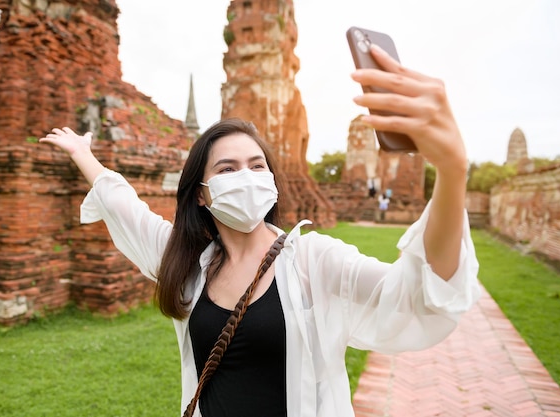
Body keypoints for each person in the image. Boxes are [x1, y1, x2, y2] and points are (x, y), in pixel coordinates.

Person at [39, 43, 480, 417]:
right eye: (228, 168)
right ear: (201, 194)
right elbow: (124, 208)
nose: (247, 176)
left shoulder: (314, 262)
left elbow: (420, 293)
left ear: (271, 181)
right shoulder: (188, 263)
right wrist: (82, 153)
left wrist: (452, 170)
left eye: (257, 165)